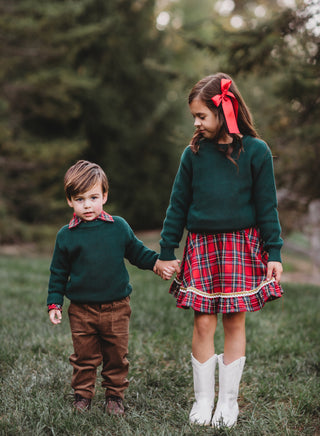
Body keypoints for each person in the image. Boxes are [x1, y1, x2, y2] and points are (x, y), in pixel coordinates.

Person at [156, 73, 284, 428]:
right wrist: (168, 250)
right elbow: (177, 204)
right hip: (202, 245)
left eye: (201, 116)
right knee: (202, 321)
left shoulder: (256, 151)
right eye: (194, 117)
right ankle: (203, 400)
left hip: (241, 246)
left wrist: (274, 252)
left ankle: (228, 403)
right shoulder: (192, 153)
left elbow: (267, 207)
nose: (196, 123)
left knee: (234, 320)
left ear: (225, 110)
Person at [47, 160, 176, 415]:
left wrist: (157, 264)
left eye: (93, 197)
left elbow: (138, 253)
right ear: (69, 201)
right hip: (81, 310)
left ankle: (114, 396)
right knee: (84, 357)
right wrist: (54, 303)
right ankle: (82, 396)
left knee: (117, 355)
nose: (87, 204)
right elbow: (58, 273)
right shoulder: (66, 235)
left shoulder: (118, 227)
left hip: (117, 307)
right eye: (79, 198)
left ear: (104, 196)